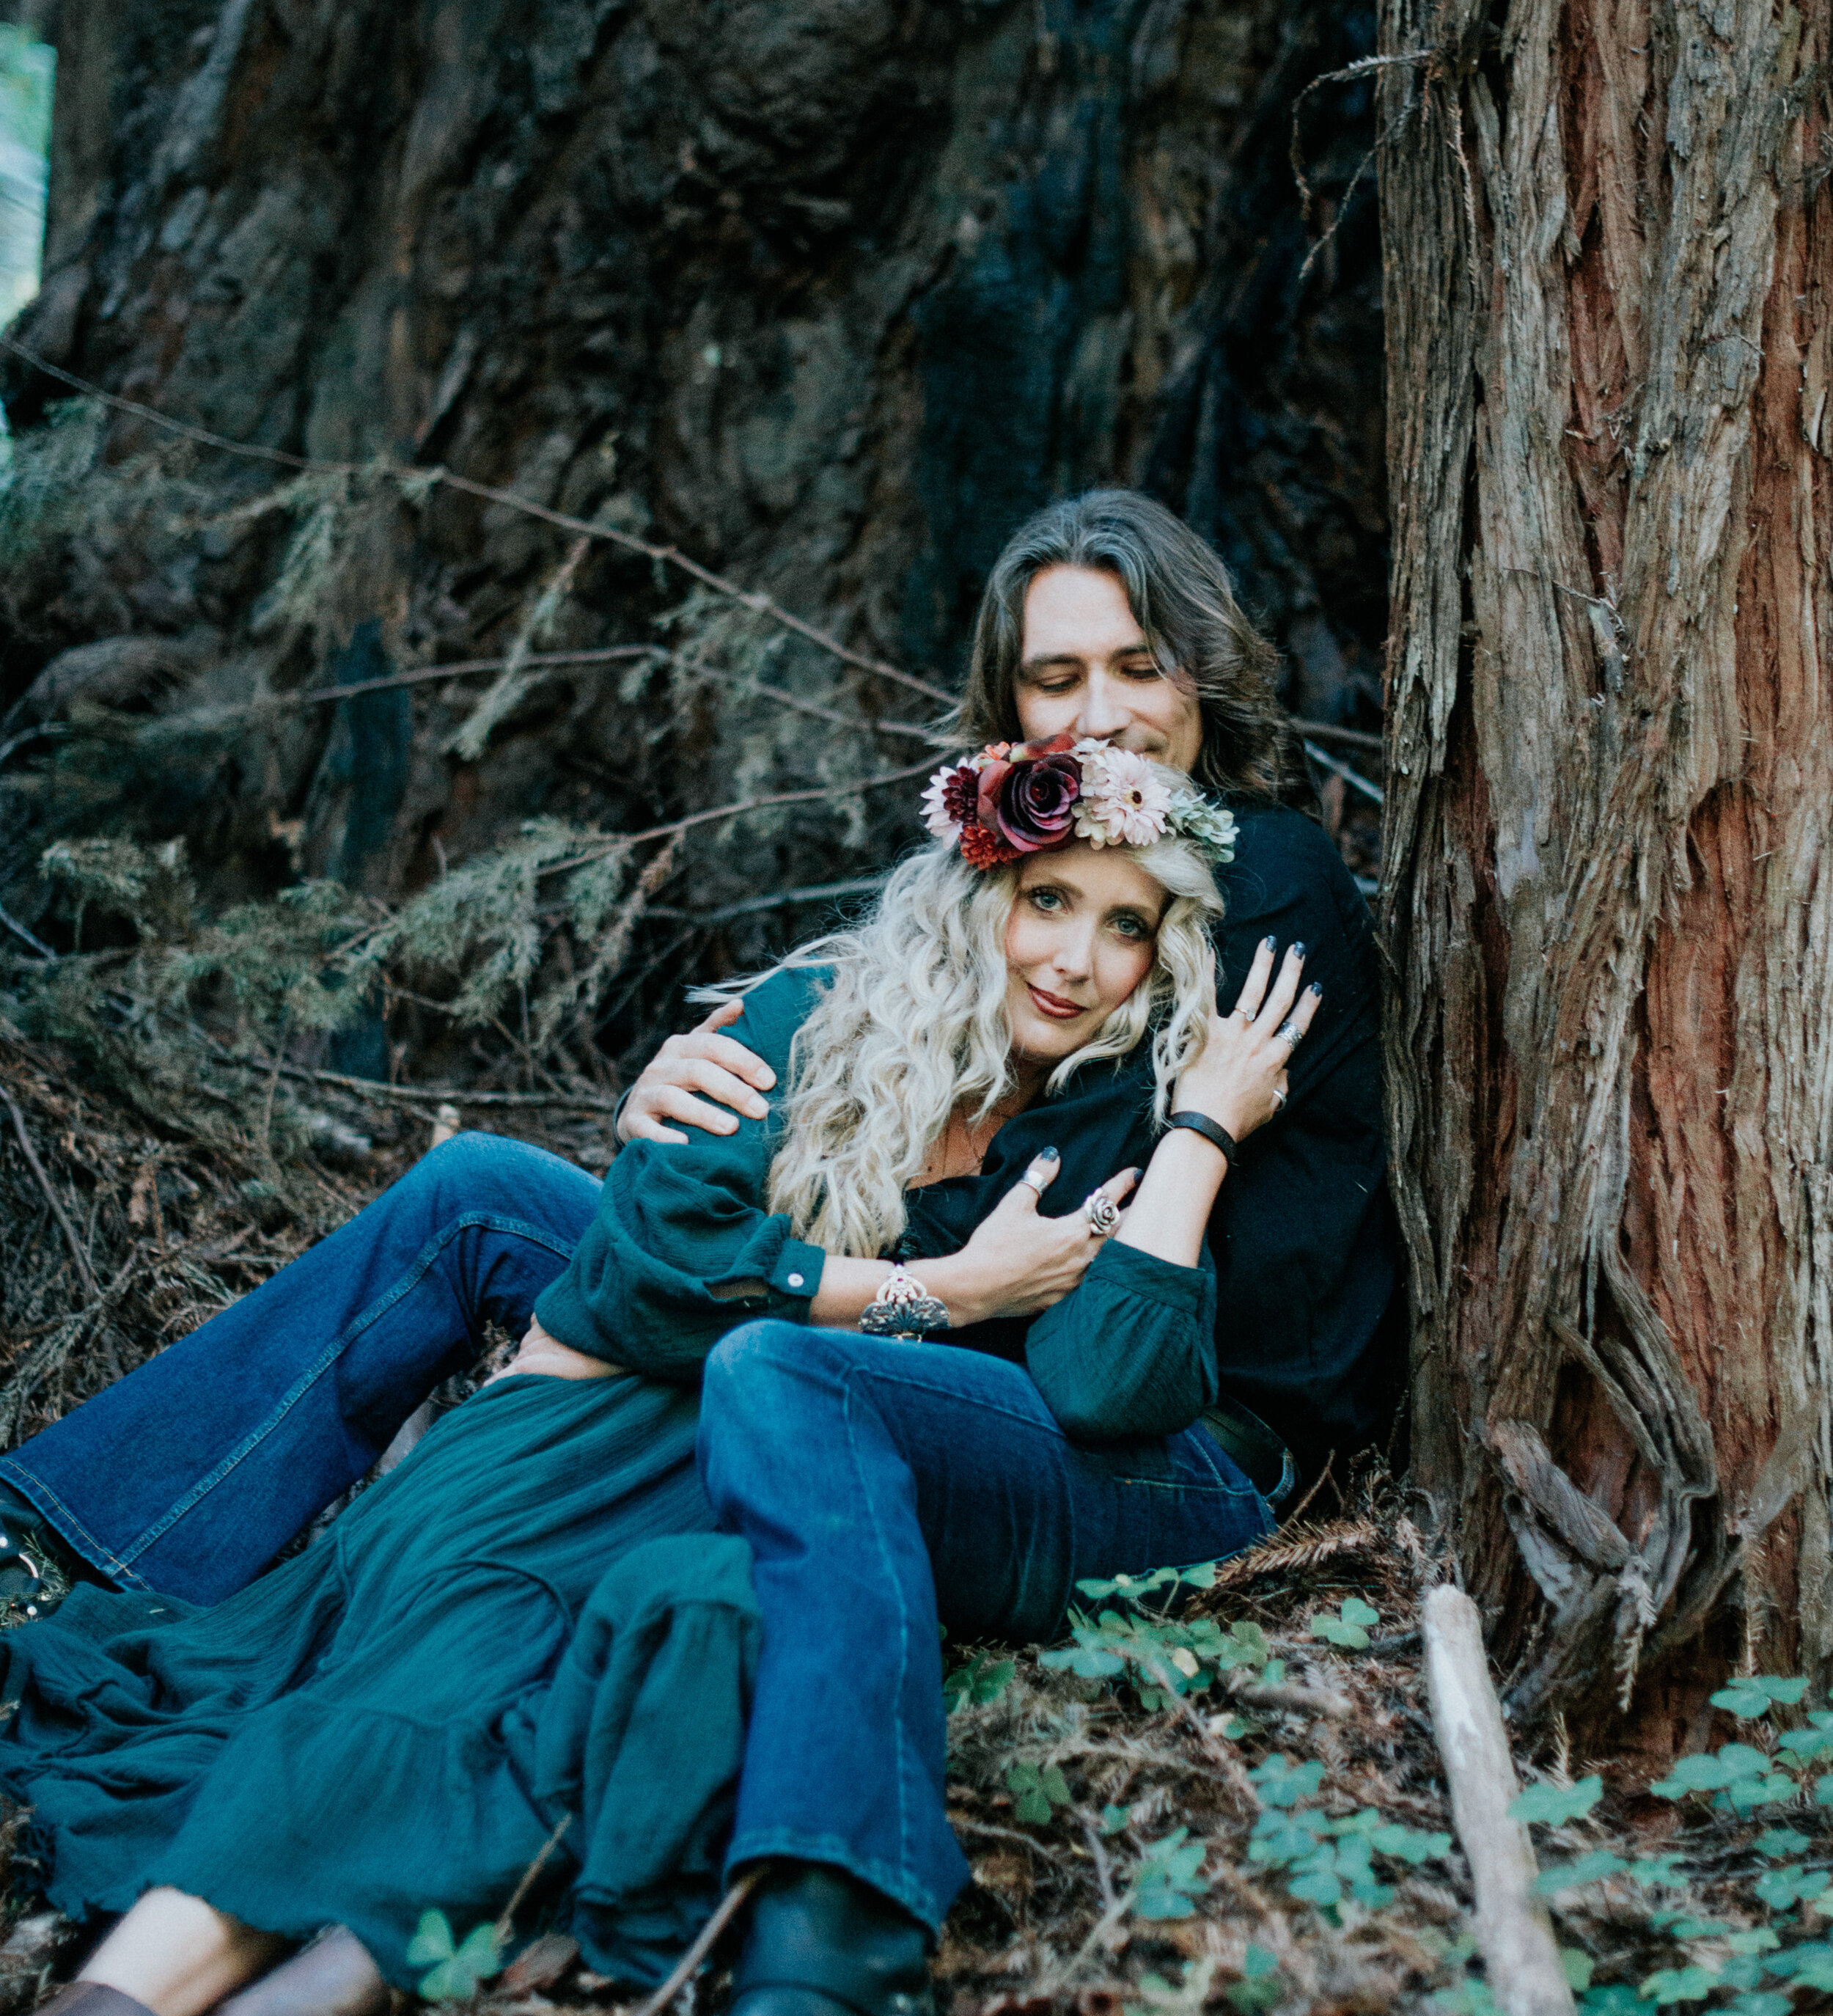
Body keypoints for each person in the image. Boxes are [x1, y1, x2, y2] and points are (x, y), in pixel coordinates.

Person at [0, 749, 1308, 2016]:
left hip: (732, 1490)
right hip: (570, 1449)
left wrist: (1198, 1134)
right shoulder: (812, 1018)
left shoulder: (1105, 1121)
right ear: (977, 890)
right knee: (461, 1654)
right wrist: (947, 1297)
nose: (1070, 957)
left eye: (1122, 928)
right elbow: (645, 1274)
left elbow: (1108, 1385)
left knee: (636, 1659)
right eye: (1045, 901)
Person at [0, 485, 1395, 1619]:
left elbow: (1037, 1179)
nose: (1097, 714)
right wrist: (696, 1114)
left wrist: (791, 1244)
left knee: (712, 1317)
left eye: (1138, 668)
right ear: (1006, 711)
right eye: (1056, 677)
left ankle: (381, 1600)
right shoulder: (1030, 874)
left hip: (1130, 1412)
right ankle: (79, 1536)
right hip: (952, 1315)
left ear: (1204, 676)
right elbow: (893, 1043)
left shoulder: (1249, 876)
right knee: (476, 1192)